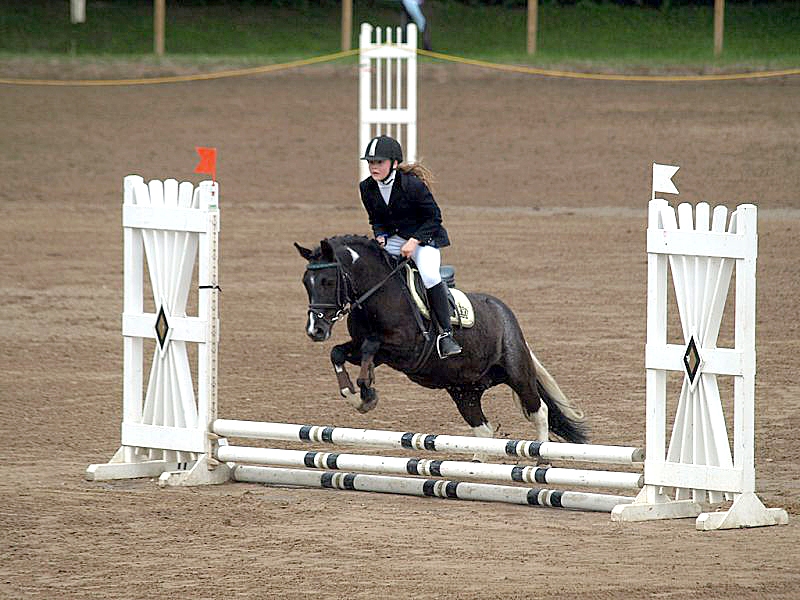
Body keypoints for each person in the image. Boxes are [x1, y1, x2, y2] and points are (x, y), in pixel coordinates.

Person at [359, 135, 461, 359]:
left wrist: (414, 242)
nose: (373, 167)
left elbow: (434, 218)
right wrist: (381, 236)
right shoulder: (366, 187)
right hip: (396, 239)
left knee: (429, 276)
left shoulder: (412, 185)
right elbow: (376, 219)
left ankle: (445, 334)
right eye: (371, 162)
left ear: (394, 164)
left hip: (425, 238)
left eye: (379, 162)